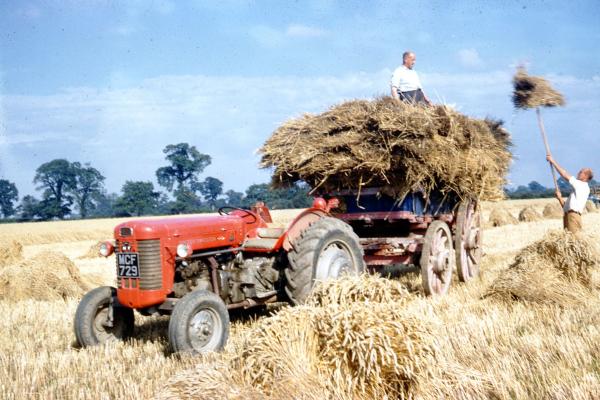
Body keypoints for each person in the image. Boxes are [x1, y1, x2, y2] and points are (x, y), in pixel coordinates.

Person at [546, 154, 593, 234]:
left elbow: (564, 174)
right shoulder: (577, 190)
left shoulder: (581, 185)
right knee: (568, 241)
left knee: (572, 240)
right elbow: (565, 207)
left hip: (573, 217)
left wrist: (553, 161)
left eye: (581, 172)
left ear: (586, 176)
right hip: (568, 216)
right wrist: (560, 198)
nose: (578, 173)